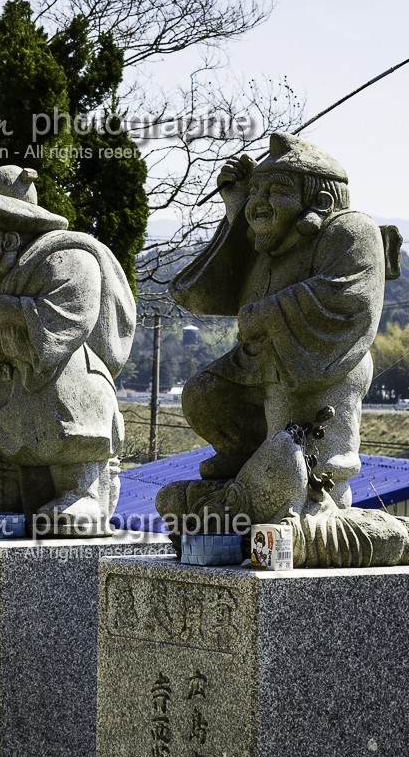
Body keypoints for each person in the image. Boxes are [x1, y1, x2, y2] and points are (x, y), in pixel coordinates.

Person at [166, 132, 390, 510]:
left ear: (319, 201)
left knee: (293, 443)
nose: (260, 202)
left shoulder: (348, 230)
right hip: (256, 358)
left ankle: (315, 497)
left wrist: (264, 313)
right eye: (257, 192)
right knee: (204, 392)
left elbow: (346, 297)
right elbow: (209, 290)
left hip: (316, 358)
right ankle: (245, 465)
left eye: (275, 190)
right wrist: (237, 204)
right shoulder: (269, 239)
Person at [0, 166, 135, 536]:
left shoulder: (66, 257)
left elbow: (70, 319)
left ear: (9, 240)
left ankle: (81, 491)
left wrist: (9, 312)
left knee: (62, 380)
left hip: (49, 379)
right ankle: (7, 490)